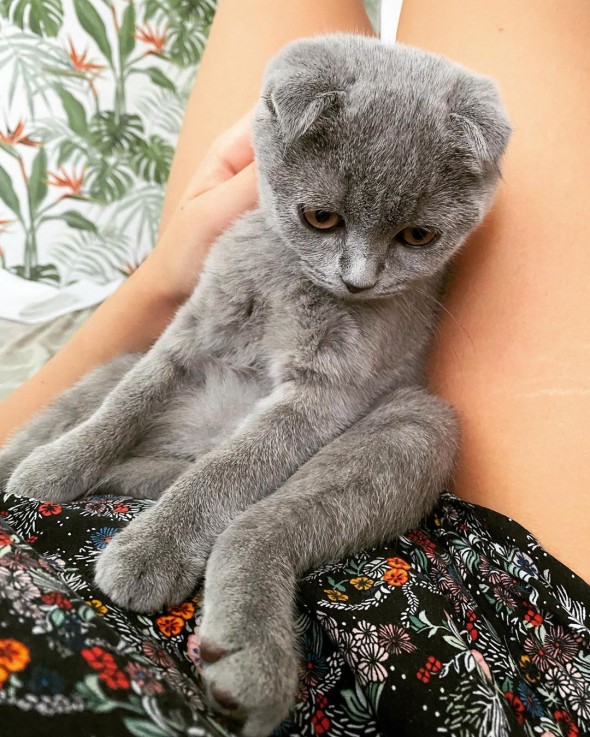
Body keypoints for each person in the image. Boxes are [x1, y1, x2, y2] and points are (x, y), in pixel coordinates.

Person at [0, 1, 588, 734]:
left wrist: (159, 279)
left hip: (321, 479)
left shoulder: (369, 262)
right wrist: (84, 441)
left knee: (420, 426)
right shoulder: (279, 205)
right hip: (419, 615)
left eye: (412, 234)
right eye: (323, 219)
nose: (360, 274)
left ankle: (259, 550)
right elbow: (177, 357)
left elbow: (295, 400)